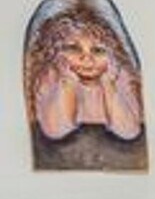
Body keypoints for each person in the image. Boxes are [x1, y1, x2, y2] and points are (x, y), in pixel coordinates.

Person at [30, 10, 143, 141]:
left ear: (113, 55)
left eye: (98, 50)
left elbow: (129, 132)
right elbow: (56, 130)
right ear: (55, 52)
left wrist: (109, 84)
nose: (86, 59)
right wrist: (68, 82)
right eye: (73, 48)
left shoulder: (119, 77)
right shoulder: (53, 77)